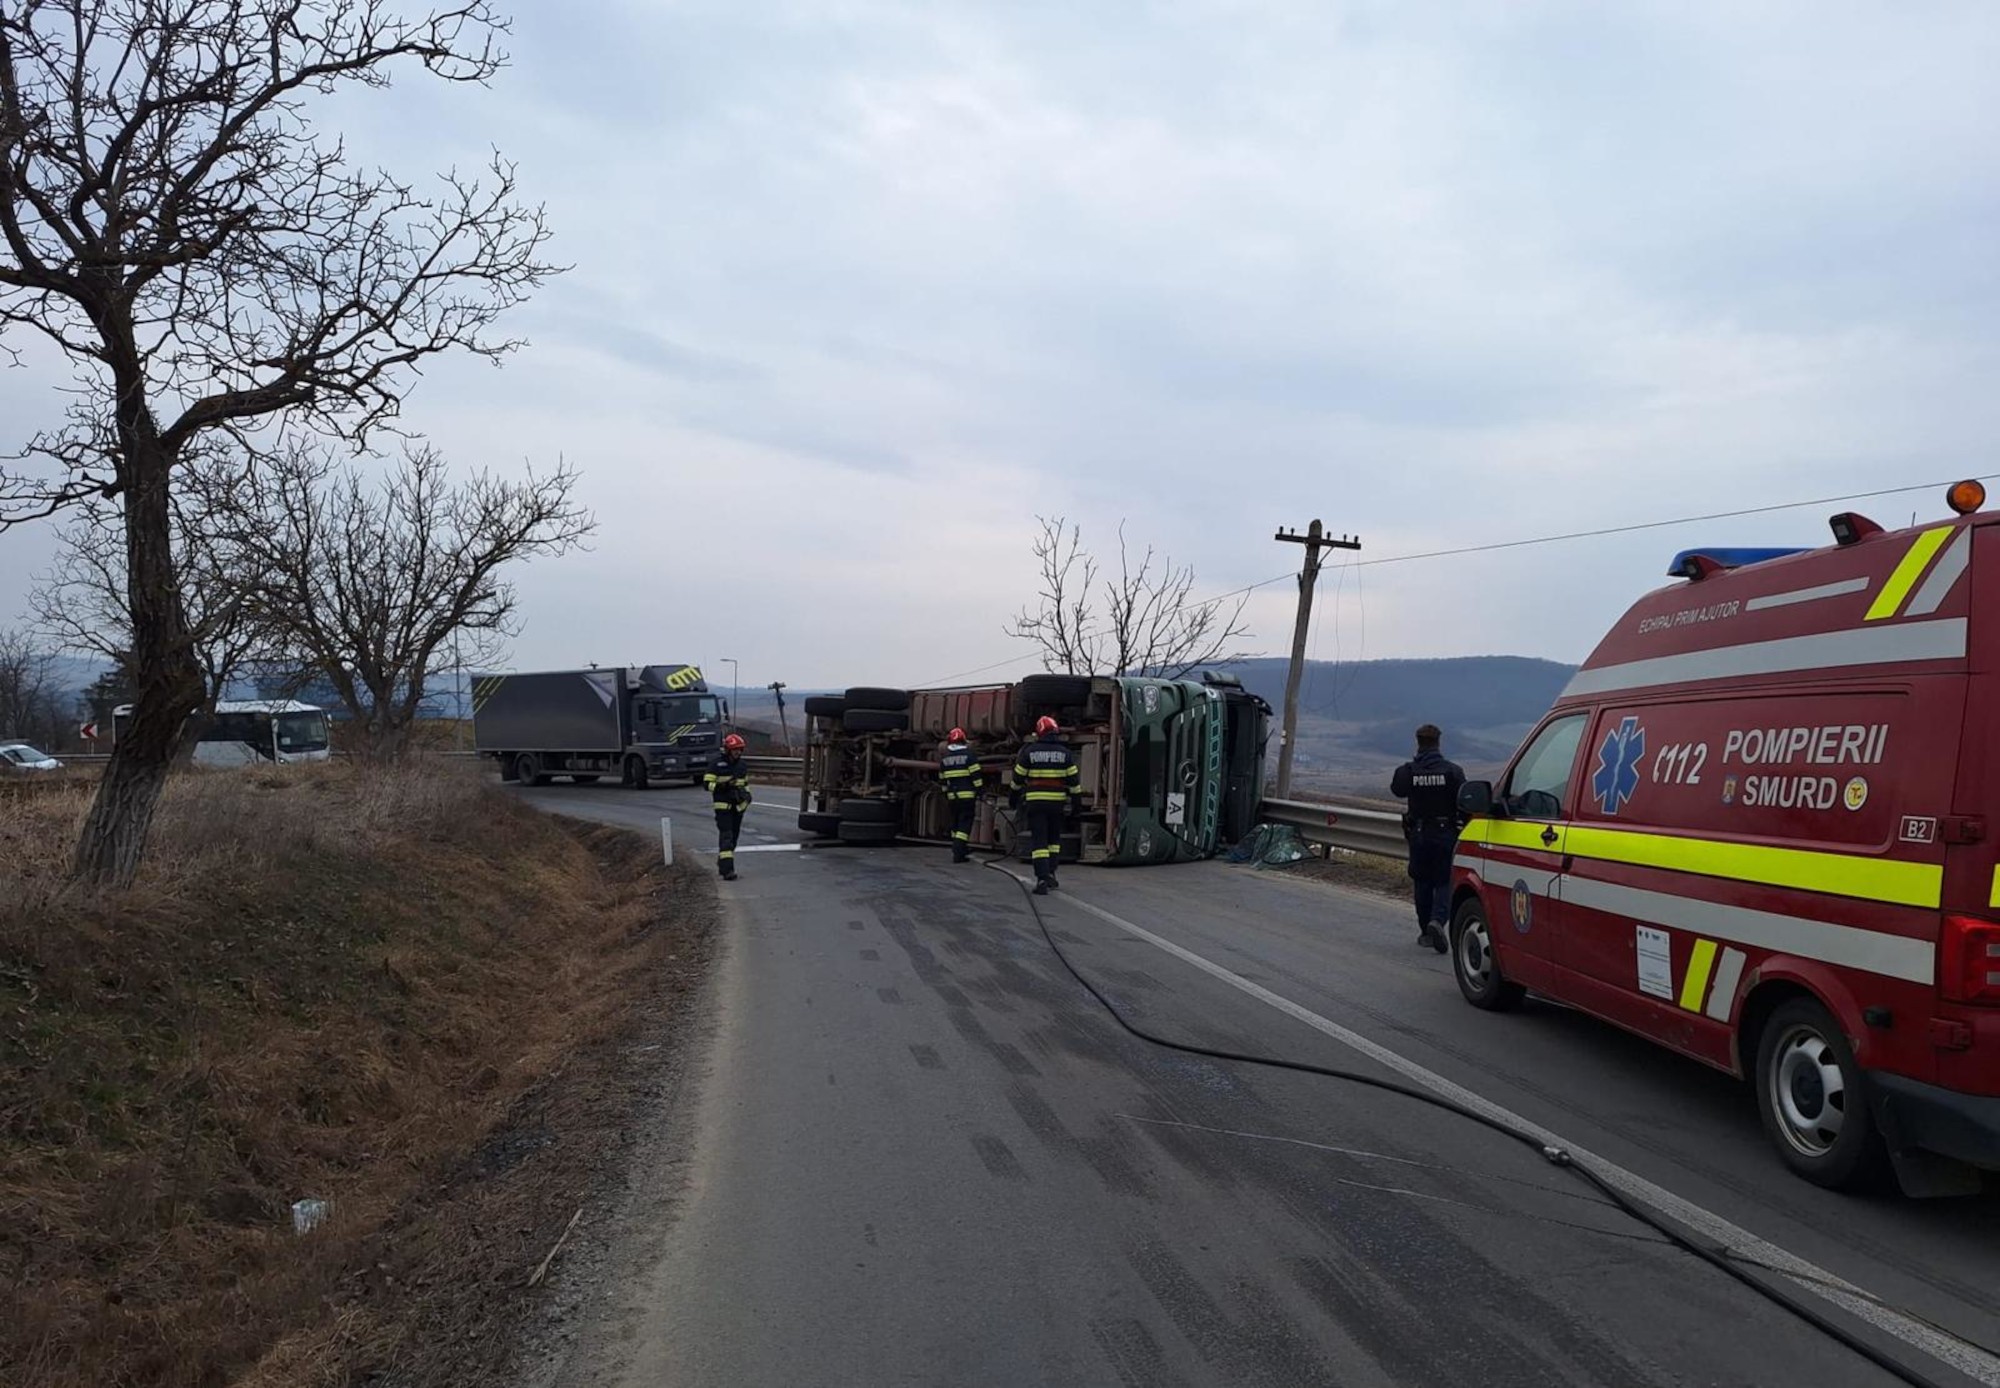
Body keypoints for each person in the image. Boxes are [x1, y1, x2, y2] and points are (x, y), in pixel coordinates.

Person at [1391, 723, 1464, 953]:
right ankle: (1438, 920)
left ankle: (1425, 931)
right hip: (1445, 833)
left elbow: (1397, 789)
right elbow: (1465, 801)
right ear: (1438, 742)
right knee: (1444, 880)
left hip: (1419, 833)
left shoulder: (1408, 771)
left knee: (1422, 880)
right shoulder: (1452, 772)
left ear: (1418, 742)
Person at [1013, 715, 1080, 895]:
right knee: (1053, 841)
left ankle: (1042, 878)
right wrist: (1077, 804)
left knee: (1039, 841)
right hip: (1056, 805)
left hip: (1036, 804)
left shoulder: (1029, 752)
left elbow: (1017, 779)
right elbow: (1074, 782)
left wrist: (1013, 797)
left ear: (1039, 732)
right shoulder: (1065, 753)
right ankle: (1051, 874)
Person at [705, 732, 751, 881]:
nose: (738, 752)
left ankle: (723, 862)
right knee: (727, 837)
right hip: (723, 809)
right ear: (728, 750)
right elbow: (707, 784)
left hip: (738, 808)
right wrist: (722, 786)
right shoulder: (717, 764)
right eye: (735, 749)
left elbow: (745, 784)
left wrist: (747, 796)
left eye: (740, 749)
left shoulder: (742, 766)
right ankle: (728, 871)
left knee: (734, 839)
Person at [939, 726, 984, 863]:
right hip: (967, 796)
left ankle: (959, 847)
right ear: (963, 741)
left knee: (956, 823)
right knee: (965, 824)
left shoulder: (945, 759)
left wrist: (946, 794)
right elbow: (976, 777)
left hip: (952, 797)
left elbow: (942, 780)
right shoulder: (969, 756)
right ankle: (959, 852)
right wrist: (980, 792)